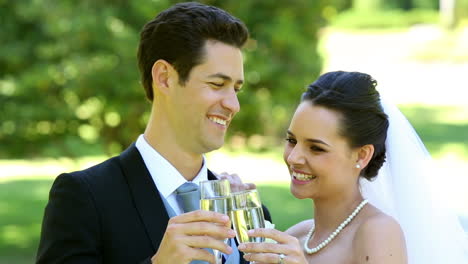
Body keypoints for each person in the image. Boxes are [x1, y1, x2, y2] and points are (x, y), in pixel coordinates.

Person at [36, 2, 270, 264]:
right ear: (164, 77)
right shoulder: (83, 199)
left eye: (236, 89)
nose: (233, 105)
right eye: (217, 84)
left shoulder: (248, 210)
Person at [236, 71, 468, 264]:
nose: (294, 157)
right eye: (292, 141)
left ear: (362, 155)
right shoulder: (298, 235)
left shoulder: (377, 232)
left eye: (316, 148)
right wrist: (234, 214)